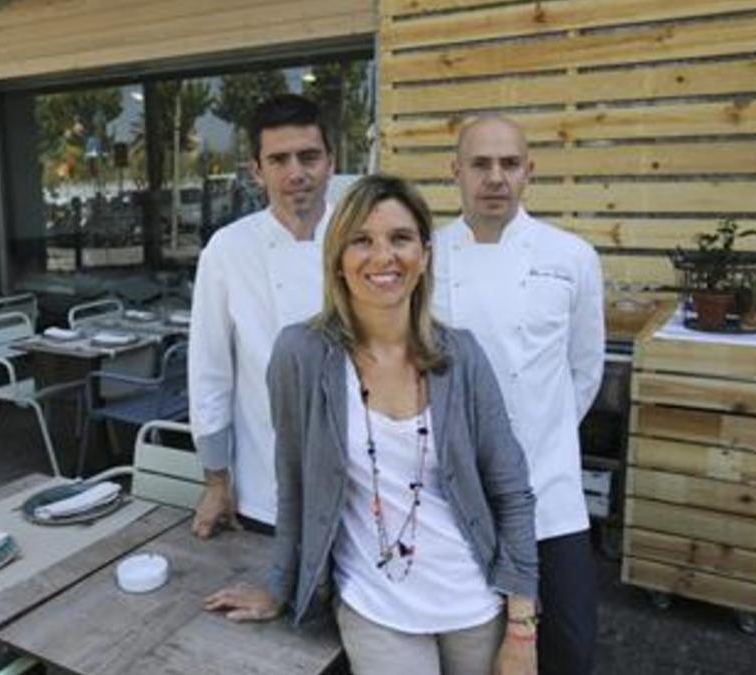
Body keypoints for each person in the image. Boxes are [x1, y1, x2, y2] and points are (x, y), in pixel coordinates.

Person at [204, 175, 539, 675]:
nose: (383, 256)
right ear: (338, 259)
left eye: (400, 238)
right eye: (362, 240)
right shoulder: (301, 354)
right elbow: (294, 482)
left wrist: (521, 629)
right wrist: (279, 584)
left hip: (476, 601)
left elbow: (511, 491)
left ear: (424, 255)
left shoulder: (462, 355)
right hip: (376, 606)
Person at [433, 115, 604, 674]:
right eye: (480, 164)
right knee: (474, 648)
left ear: (529, 171)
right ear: (455, 171)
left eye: (509, 164)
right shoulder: (425, 258)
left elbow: (584, 370)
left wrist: (537, 431)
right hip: (457, 492)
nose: (495, 177)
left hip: (548, 489)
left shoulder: (572, 257)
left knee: (569, 647)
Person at [188, 94, 335, 536]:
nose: (296, 173)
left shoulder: (363, 240)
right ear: (257, 170)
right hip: (262, 482)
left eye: (309, 157)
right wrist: (216, 480)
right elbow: (210, 371)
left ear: (330, 160)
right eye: (279, 160)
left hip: (360, 484)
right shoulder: (228, 250)